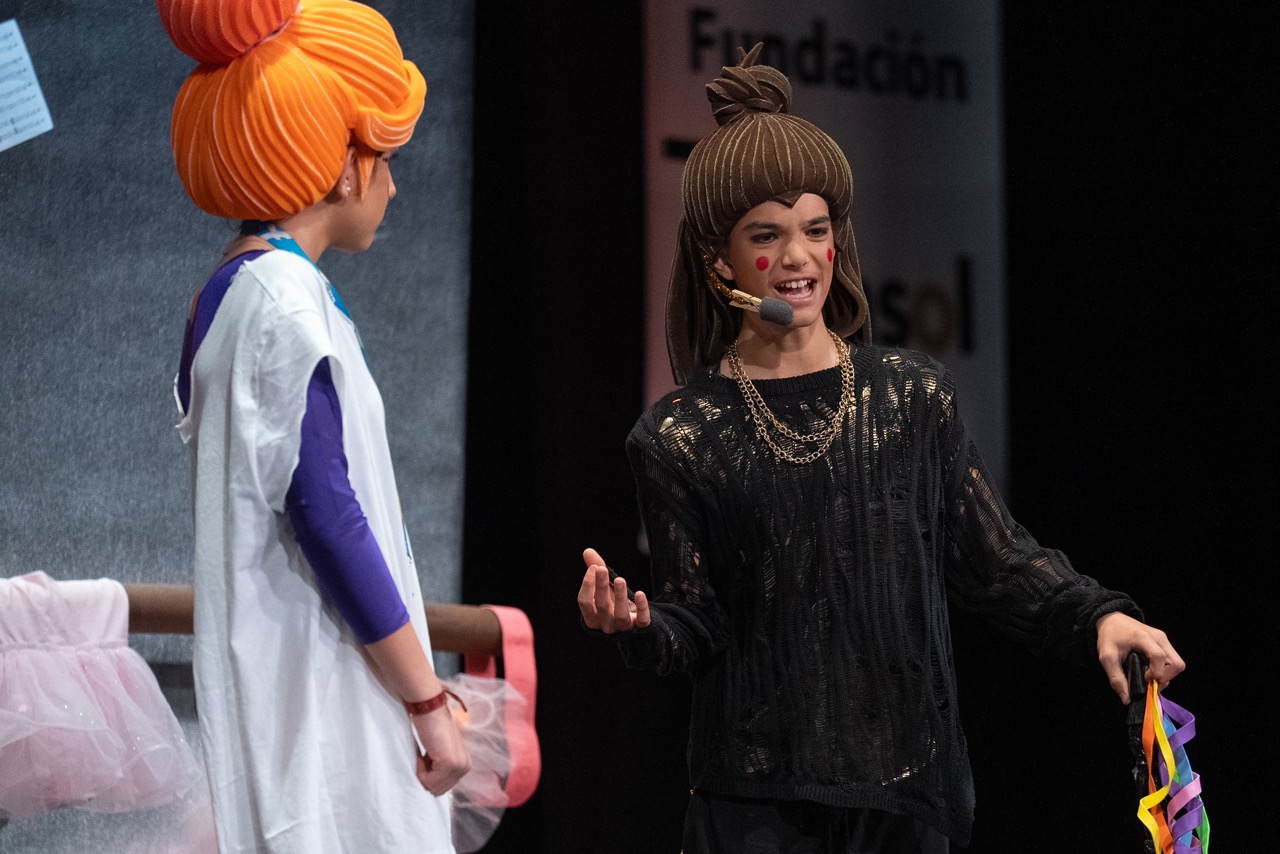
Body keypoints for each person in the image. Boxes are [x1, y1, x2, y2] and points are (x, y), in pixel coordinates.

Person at [577, 45, 1184, 853]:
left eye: (815, 229)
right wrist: (639, 628)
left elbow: (994, 557)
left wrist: (1097, 616)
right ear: (717, 258)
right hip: (757, 807)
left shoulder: (909, 396)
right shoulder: (681, 434)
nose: (796, 258)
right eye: (767, 235)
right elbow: (698, 620)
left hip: (910, 798)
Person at [160, 1, 468, 851]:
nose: (395, 184)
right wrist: (425, 699)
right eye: (385, 157)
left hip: (316, 682)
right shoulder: (282, 305)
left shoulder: (244, 290)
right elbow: (327, 516)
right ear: (341, 165)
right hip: (323, 695)